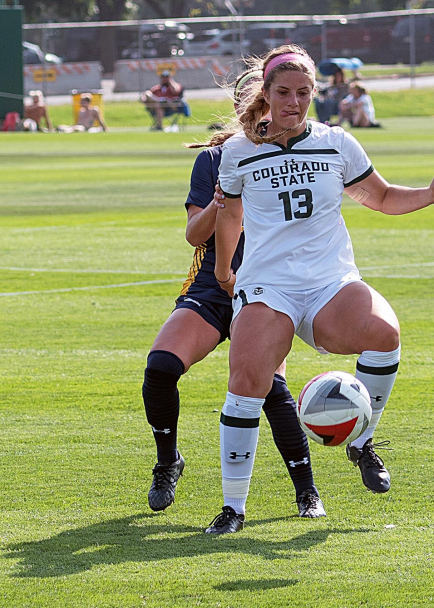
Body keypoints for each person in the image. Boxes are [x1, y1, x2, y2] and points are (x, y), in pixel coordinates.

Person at [205, 44, 434, 534]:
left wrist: (432, 194)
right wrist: (226, 271)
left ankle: (360, 440)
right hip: (268, 285)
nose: (294, 101)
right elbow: (230, 215)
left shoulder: (337, 143)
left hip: (330, 280)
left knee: (385, 334)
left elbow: (384, 197)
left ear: (315, 94)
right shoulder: (237, 152)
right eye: (283, 92)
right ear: (265, 94)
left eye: (304, 92)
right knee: (246, 385)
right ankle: (233, 508)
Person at [142, 69, 325, 520]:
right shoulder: (214, 159)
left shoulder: (298, 156)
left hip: (267, 287)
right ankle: (168, 462)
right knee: (160, 367)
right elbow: (193, 234)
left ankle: (307, 492)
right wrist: (219, 200)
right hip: (212, 287)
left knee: (271, 390)